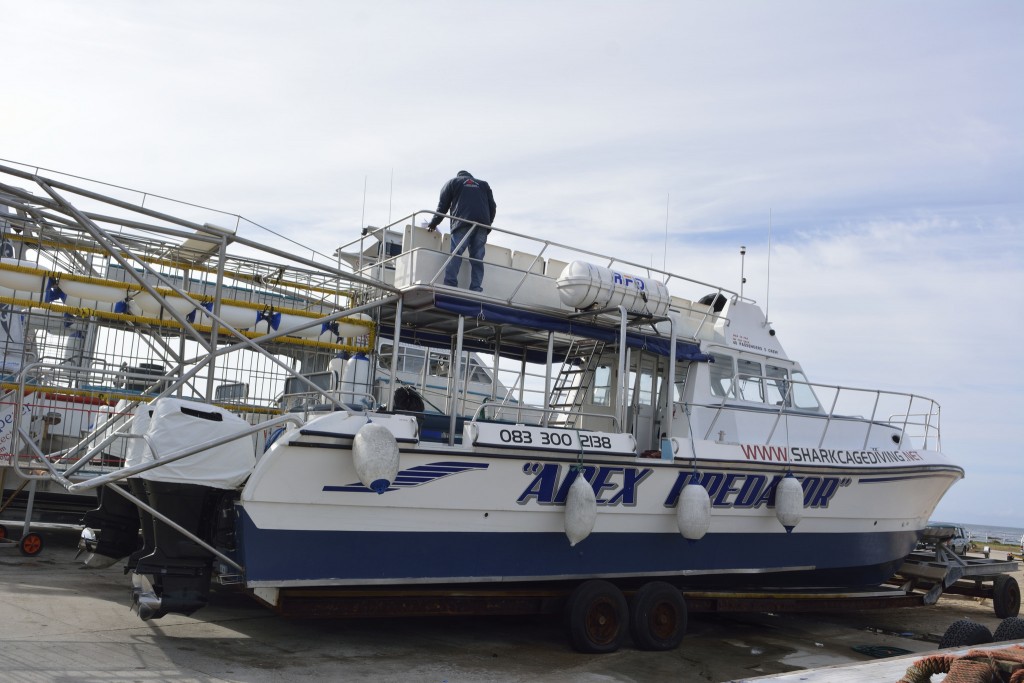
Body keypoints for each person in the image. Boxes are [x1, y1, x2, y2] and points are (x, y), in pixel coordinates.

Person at [426, 170, 497, 292]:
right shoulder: (483, 184)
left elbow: (442, 207)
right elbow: (493, 206)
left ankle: (450, 284)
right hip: (481, 226)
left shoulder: (452, 183)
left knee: (456, 254)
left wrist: (433, 224)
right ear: (471, 177)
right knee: (477, 258)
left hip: (461, 223)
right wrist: (487, 225)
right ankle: (476, 288)